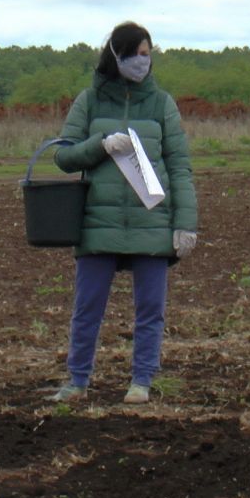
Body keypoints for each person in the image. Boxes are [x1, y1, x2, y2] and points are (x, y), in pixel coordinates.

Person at [47, 22, 199, 405]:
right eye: (135, 54)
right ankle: (77, 381)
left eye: (147, 54)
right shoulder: (89, 101)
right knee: (87, 309)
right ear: (116, 56)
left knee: (150, 310)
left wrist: (185, 223)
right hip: (98, 223)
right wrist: (100, 145)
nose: (142, 62)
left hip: (152, 222)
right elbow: (63, 156)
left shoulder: (162, 103)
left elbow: (180, 166)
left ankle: (142, 382)